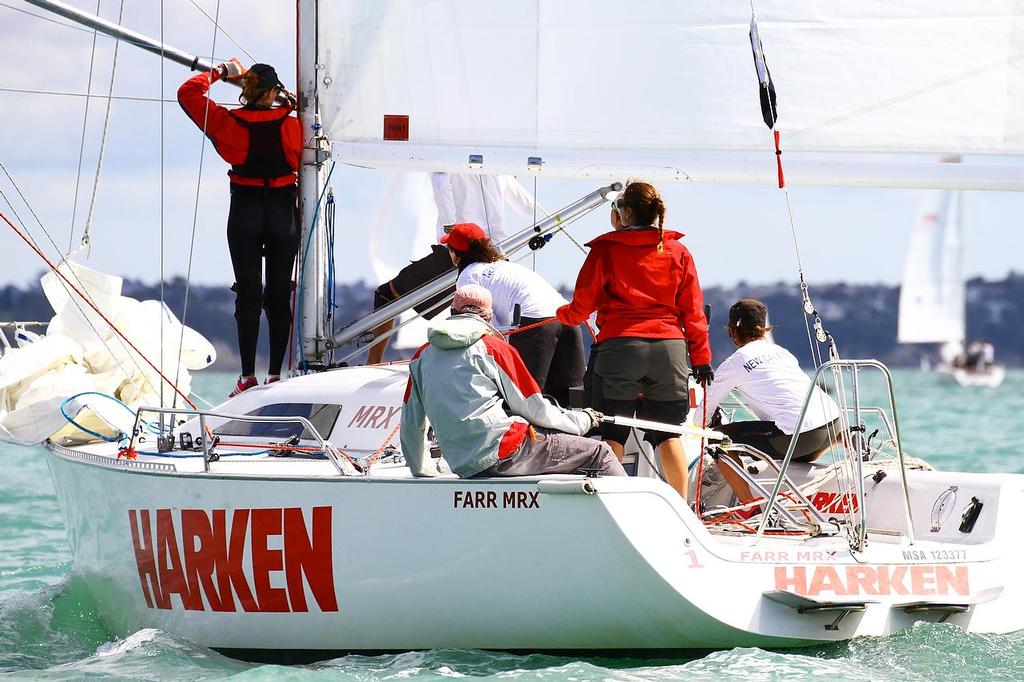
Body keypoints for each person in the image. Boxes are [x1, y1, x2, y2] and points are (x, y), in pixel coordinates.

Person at [556, 180, 712, 500]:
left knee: (612, 431)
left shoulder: (606, 249)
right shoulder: (678, 251)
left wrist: (561, 315)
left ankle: (609, 503)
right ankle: (680, 508)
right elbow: (693, 312)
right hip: (669, 349)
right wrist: (702, 358)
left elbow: (582, 306)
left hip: (621, 347)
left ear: (625, 212)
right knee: (667, 433)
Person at [400, 285, 625, 479]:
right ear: (488, 317)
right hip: (508, 452)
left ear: (451, 312)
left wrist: (421, 470)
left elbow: (411, 421)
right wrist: (583, 420)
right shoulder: (494, 348)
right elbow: (534, 408)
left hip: (464, 465)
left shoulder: (422, 356)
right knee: (600, 453)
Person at [178, 59, 301, 396]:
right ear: (273, 93)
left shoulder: (227, 122)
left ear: (244, 91)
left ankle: (247, 377)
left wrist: (220, 72)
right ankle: (276, 376)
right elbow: (306, 134)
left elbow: (187, 93)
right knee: (278, 296)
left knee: (249, 295)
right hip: (281, 214)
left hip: (245, 212)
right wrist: (291, 104)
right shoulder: (293, 125)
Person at [366, 173, 538, 364]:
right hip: (497, 255)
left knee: (386, 295)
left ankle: (372, 363)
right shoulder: (498, 165)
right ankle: (499, 364)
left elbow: (440, 181)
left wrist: (450, 228)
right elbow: (527, 208)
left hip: (460, 251)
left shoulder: (449, 151)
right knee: (492, 317)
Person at [704, 299, 841, 509]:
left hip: (801, 438)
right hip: (833, 424)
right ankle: (842, 438)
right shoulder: (782, 352)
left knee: (718, 441)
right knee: (789, 432)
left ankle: (748, 508)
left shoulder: (733, 363)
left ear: (731, 332)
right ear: (764, 329)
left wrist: (702, 426)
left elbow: (701, 417)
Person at [443, 223, 584, 406]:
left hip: (535, 320)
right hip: (565, 316)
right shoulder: (503, 265)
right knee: (571, 397)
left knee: (526, 399)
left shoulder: (468, 276)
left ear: (455, 254)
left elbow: (480, 326)